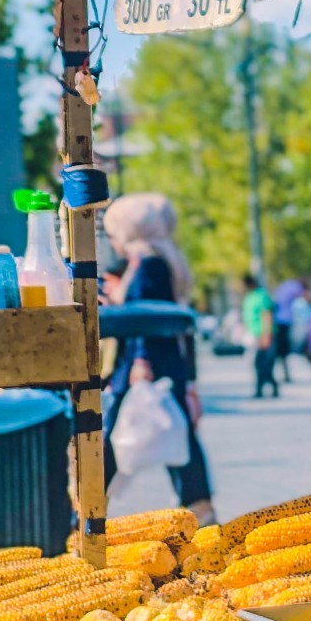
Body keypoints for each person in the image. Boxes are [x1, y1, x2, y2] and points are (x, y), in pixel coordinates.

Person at [102, 192, 217, 523]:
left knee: (113, 438)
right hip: (164, 361)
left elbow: (144, 317)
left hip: (146, 363)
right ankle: (200, 506)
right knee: (178, 431)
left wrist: (141, 363)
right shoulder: (161, 260)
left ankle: (87, 512)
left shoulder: (149, 264)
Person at [240, 273, 278, 399]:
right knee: (257, 363)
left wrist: (266, 334)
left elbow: (266, 314)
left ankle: (269, 387)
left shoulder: (261, 295)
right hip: (253, 335)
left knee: (264, 363)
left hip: (262, 334)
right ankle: (261, 387)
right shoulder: (249, 297)